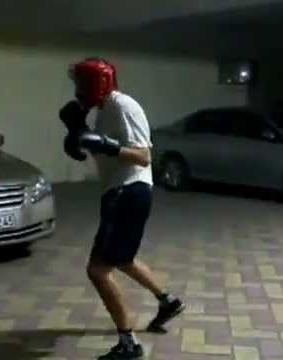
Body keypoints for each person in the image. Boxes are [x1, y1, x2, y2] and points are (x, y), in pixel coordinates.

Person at [59, 58, 185, 360]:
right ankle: (167, 301)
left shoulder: (122, 106)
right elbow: (104, 149)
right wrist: (79, 134)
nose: (77, 90)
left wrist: (105, 145)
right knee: (122, 257)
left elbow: (142, 156)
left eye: (80, 84)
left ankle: (129, 342)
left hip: (129, 193)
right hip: (120, 191)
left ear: (94, 84)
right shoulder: (104, 109)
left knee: (98, 270)